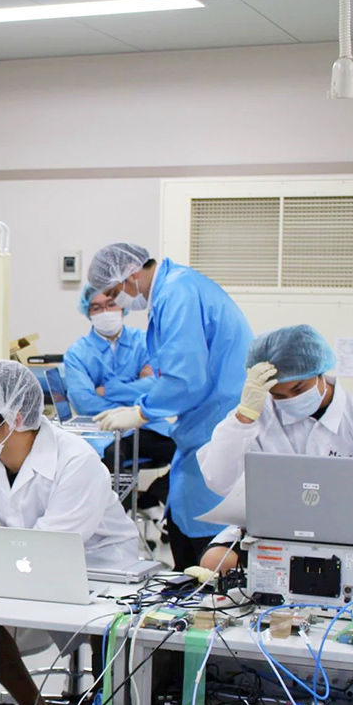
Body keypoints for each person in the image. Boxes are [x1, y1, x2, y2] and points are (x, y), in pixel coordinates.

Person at [0, 360, 139, 705]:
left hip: (102, 564)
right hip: (28, 560)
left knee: (109, 643)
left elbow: (57, 542)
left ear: (15, 418)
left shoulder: (76, 460)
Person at [87, 243, 253, 569]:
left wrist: (142, 411)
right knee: (185, 521)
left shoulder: (177, 293)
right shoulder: (176, 288)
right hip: (204, 425)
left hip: (215, 428)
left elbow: (185, 378)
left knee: (206, 555)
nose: (118, 301)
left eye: (115, 292)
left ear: (130, 275)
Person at [196, 325, 353, 572]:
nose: (291, 400)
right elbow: (219, 480)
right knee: (214, 562)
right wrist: (243, 418)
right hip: (269, 532)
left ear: (319, 372)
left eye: (298, 389)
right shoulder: (257, 414)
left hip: (342, 537)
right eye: (279, 395)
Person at [63, 285, 175, 509]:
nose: (105, 312)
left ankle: (152, 498)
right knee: (112, 458)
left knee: (191, 450)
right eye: (96, 307)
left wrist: (108, 390)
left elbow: (159, 387)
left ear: (122, 306)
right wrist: (137, 388)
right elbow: (84, 401)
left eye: (110, 304)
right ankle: (118, 517)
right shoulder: (77, 353)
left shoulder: (144, 342)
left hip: (147, 426)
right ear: (88, 313)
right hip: (106, 430)